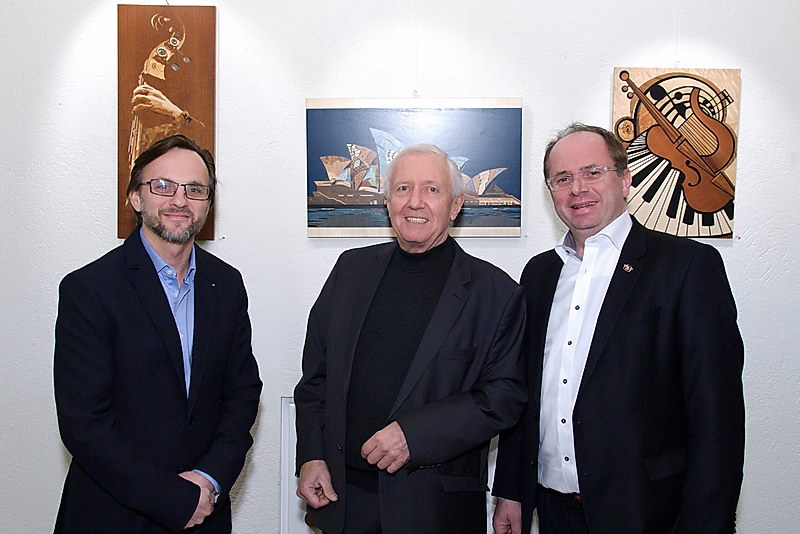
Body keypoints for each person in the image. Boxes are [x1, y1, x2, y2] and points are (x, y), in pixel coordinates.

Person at [492, 123, 745, 534]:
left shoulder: (686, 267)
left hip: (650, 511)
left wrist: (708, 523)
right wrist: (511, 490)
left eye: (593, 172)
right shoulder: (539, 274)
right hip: (553, 510)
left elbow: (717, 414)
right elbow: (525, 392)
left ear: (624, 179)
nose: (578, 189)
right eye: (562, 178)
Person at [294, 144, 527, 534]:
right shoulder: (350, 270)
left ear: (455, 206)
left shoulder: (496, 294)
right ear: (387, 202)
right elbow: (316, 377)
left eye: (431, 190)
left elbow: (502, 398)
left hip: (433, 510)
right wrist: (311, 456)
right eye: (403, 189)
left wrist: (413, 436)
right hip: (343, 501)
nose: (415, 202)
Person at [54, 135, 262, 533]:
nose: (180, 200)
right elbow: (84, 423)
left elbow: (242, 394)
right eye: (163, 186)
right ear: (135, 197)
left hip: (205, 510)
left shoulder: (226, 284)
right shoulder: (90, 289)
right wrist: (174, 499)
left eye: (195, 189)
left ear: (208, 203)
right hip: (113, 516)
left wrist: (209, 479)